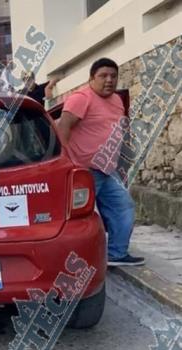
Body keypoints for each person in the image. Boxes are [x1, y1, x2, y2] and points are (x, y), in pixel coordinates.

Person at [56, 58, 144, 267]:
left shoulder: (116, 100)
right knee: (75, 218)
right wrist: (65, 163)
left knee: (123, 206)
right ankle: (65, 260)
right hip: (83, 171)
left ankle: (116, 253)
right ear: (91, 78)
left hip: (106, 169)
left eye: (113, 76)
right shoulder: (81, 98)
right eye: (103, 76)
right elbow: (63, 127)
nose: (109, 80)